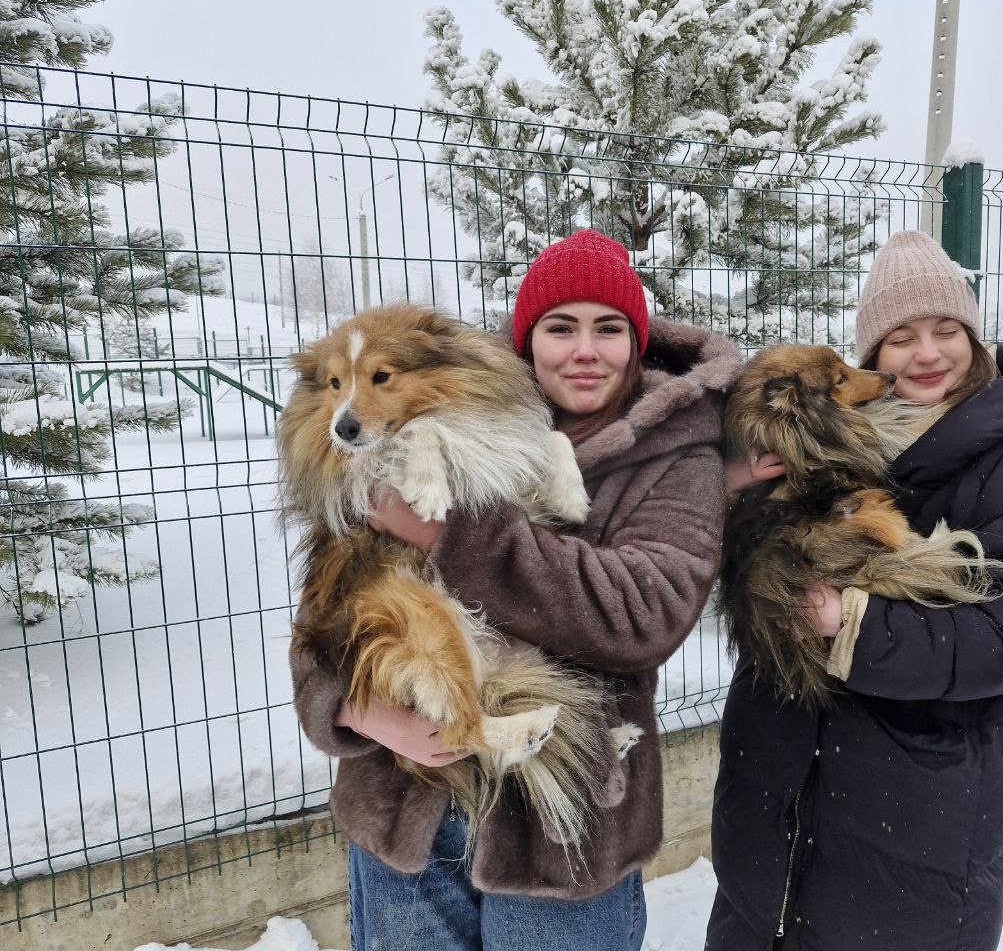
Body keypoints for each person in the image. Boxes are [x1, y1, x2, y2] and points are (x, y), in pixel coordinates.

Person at [289, 229, 740, 951]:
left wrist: (448, 534)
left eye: (609, 328)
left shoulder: (678, 456)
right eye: (560, 328)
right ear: (527, 340)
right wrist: (352, 710)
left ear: (637, 341)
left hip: (559, 831)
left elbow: (642, 615)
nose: (584, 350)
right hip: (407, 814)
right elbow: (333, 607)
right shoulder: (408, 421)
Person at [707, 229, 1003, 951]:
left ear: (974, 339)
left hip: (907, 830)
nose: (926, 354)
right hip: (773, 814)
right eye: (901, 338)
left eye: (947, 331)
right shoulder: (831, 435)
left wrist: (852, 622)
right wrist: (722, 494)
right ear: (873, 354)